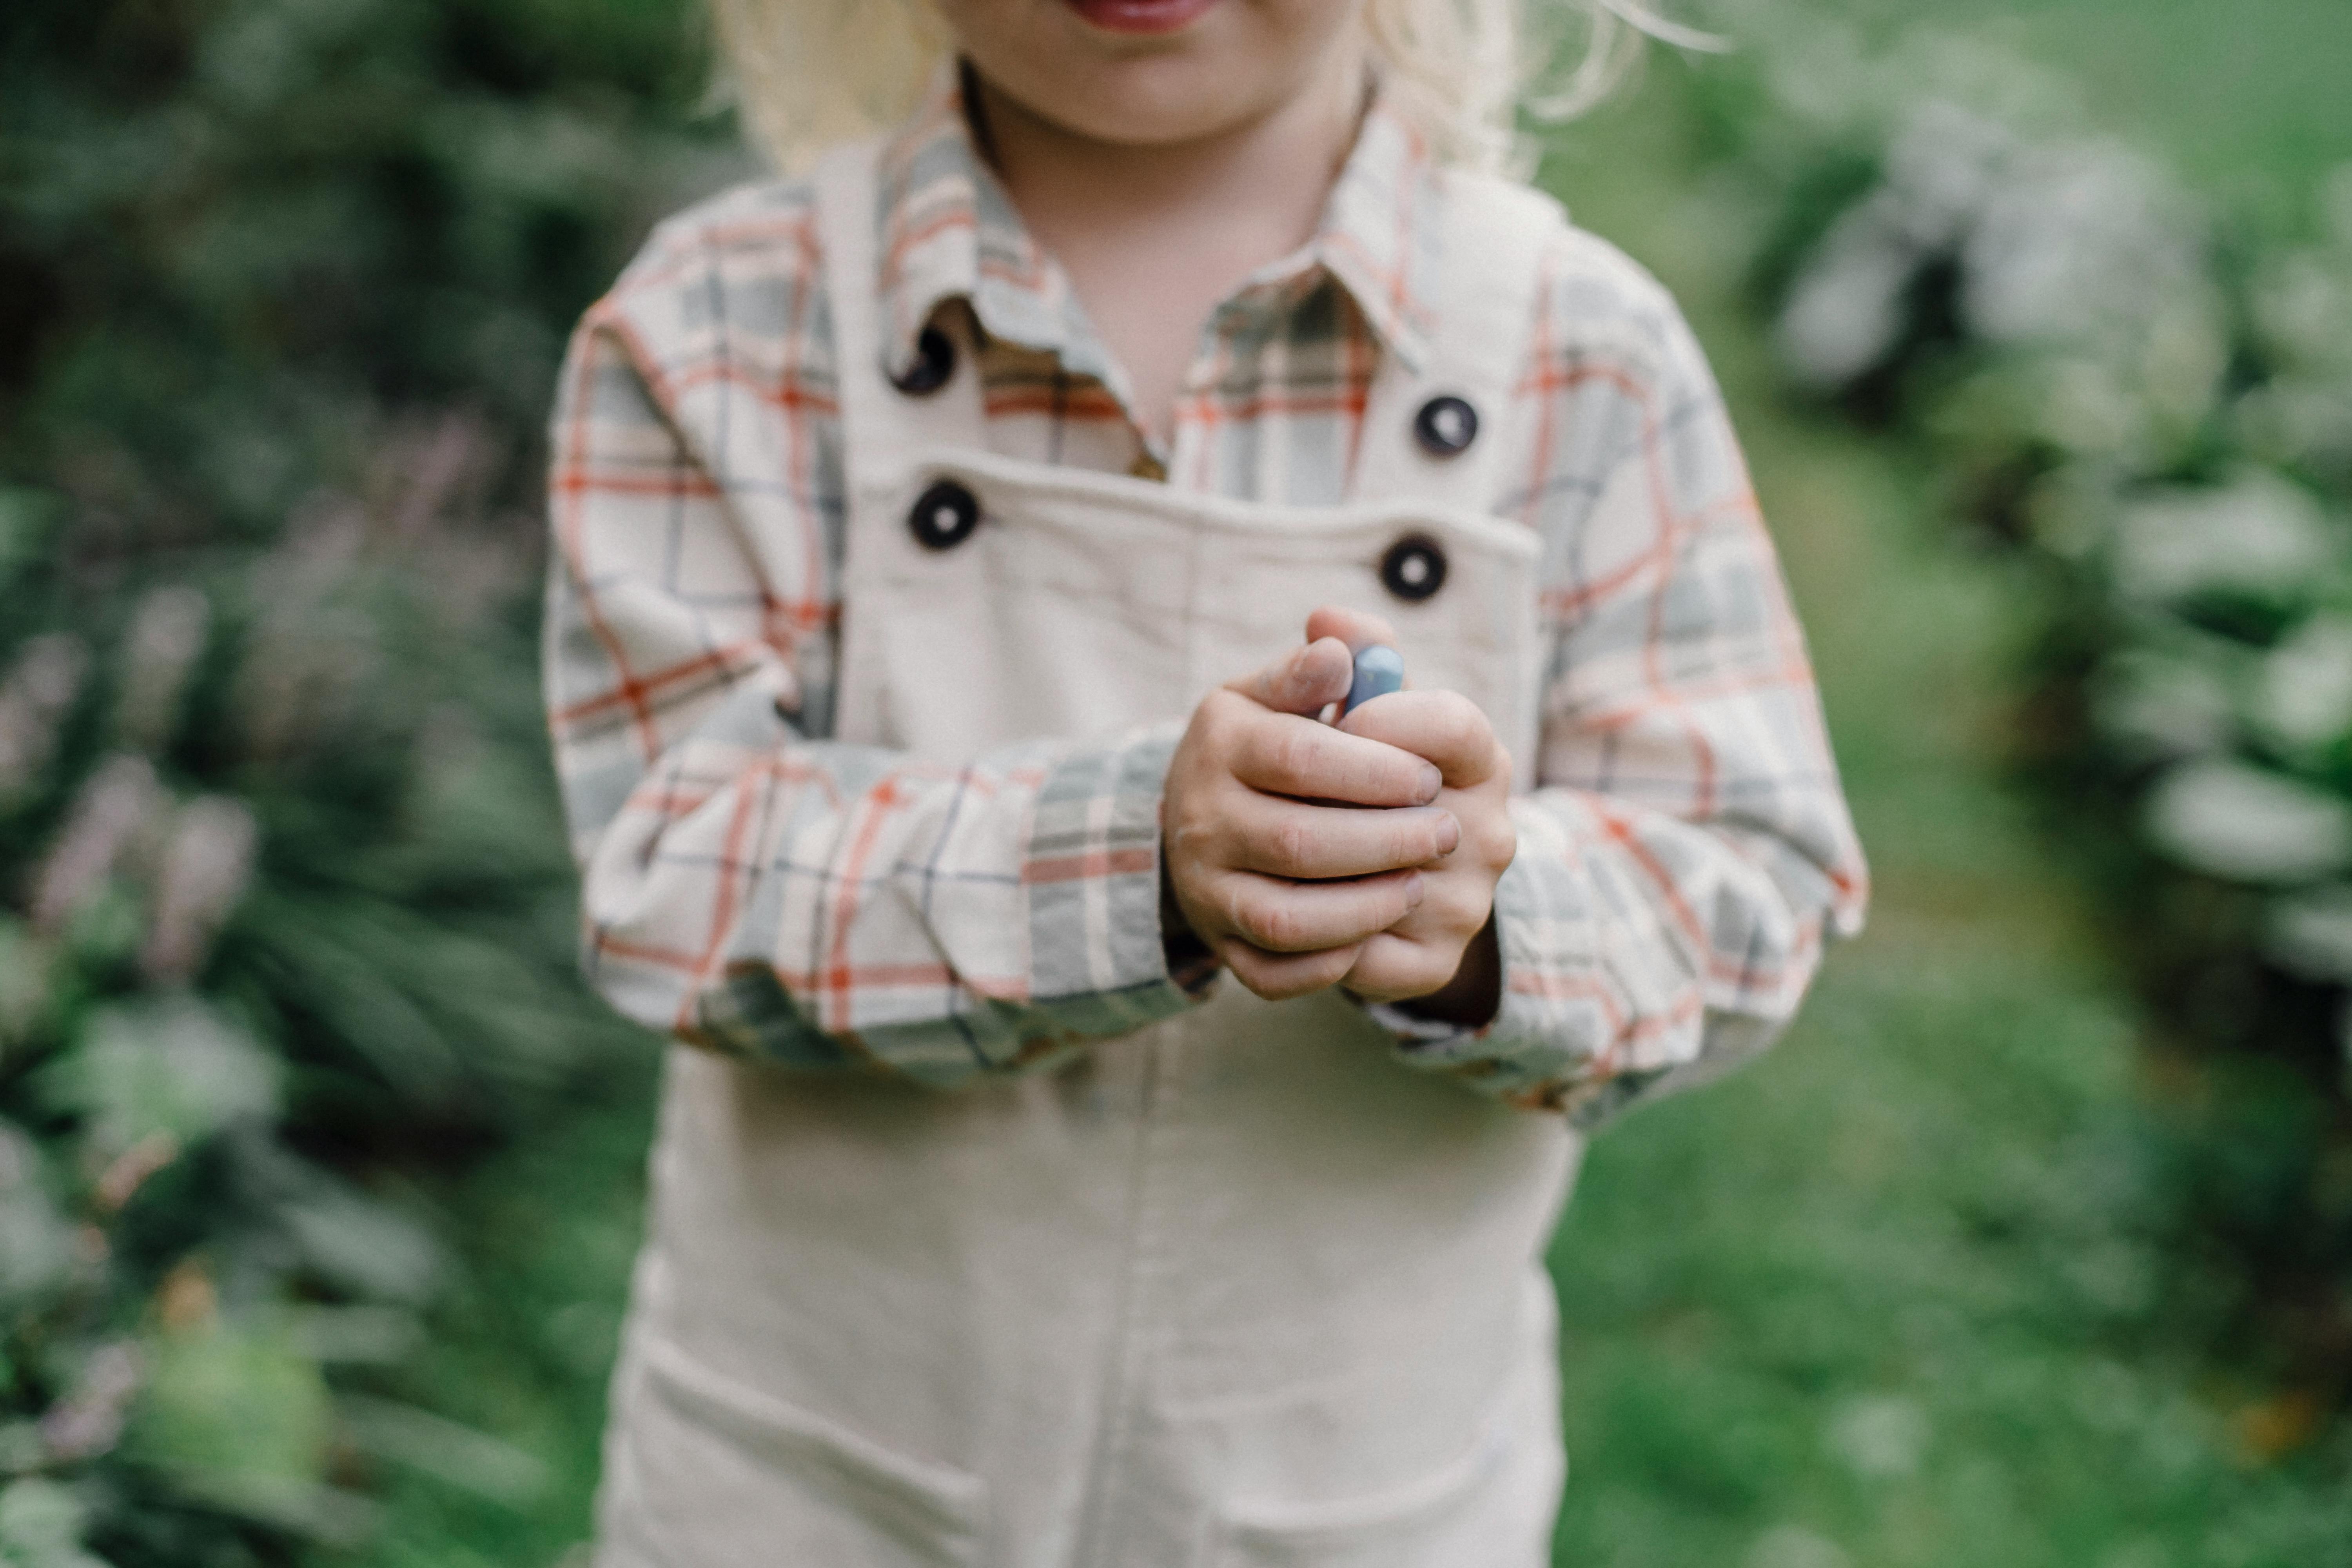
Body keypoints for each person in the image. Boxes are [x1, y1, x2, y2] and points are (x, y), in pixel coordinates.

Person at [541, 0, 1869, 1562]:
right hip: (804, 1491)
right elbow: (670, 869)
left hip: (1352, 1502)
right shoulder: (724, 329)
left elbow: (1748, 871)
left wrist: (1482, 910)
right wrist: (1124, 866)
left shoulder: (1584, 360)